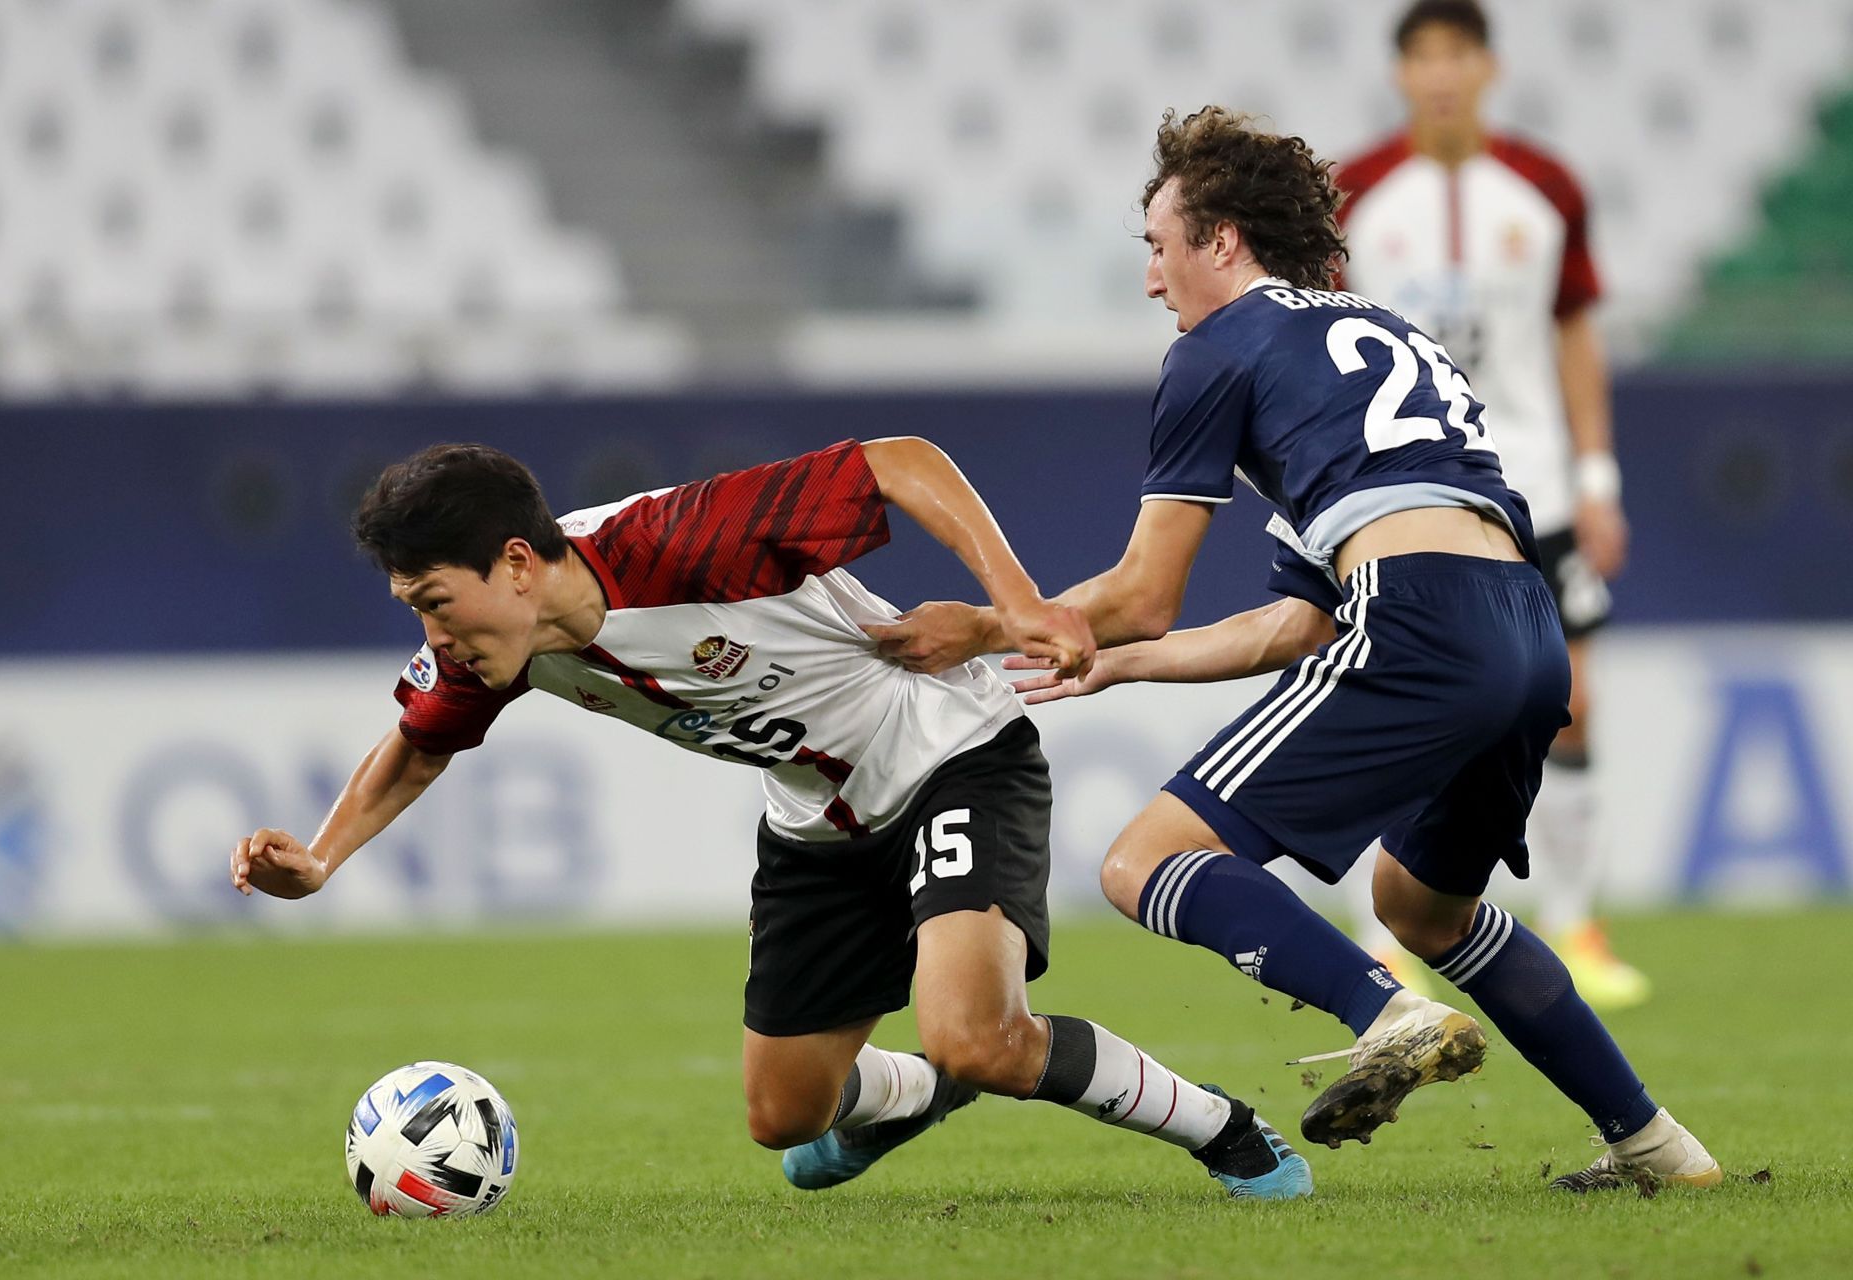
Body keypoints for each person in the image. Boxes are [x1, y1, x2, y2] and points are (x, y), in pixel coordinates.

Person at [871, 106, 1718, 1192]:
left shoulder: (1215, 347)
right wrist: (1118, 661)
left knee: (1142, 860)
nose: (1151, 280)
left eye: (1158, 247)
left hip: (1416, 612)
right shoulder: (1380, 333)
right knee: (1426, 906)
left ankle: (1387, 1010)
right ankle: (1660, 1148)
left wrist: (989, 625)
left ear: (1221, 240)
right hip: (1523, 621)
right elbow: (1300, 623)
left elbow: (1141, 591)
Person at [227, 436, 1312, 1200]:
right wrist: (321, 858)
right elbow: (418, 741)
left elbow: (901, 461)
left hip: (945, 752)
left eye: (432, 598)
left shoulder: (678, 540)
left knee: (979, 1032)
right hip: (814, 823)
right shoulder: (494, 645)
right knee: (786, 1116)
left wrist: (1017, 602)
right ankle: (924, 1093)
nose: (432, 631)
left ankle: (1226, 1128)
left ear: (515, 562)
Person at [1331, 0, 1647, 1008]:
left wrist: (1598, 476)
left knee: (1570, 705)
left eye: (1457, 56)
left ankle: (1576, 924)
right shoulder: (1357, 192)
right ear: (1401, 74)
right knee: (1391, 706)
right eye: (1422, 58)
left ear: (1488, 68)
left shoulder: (1546, 188)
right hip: (1411, 489)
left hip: (1540, 484)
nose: (1441, 76)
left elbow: (1574, 335)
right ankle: (1379, 941)